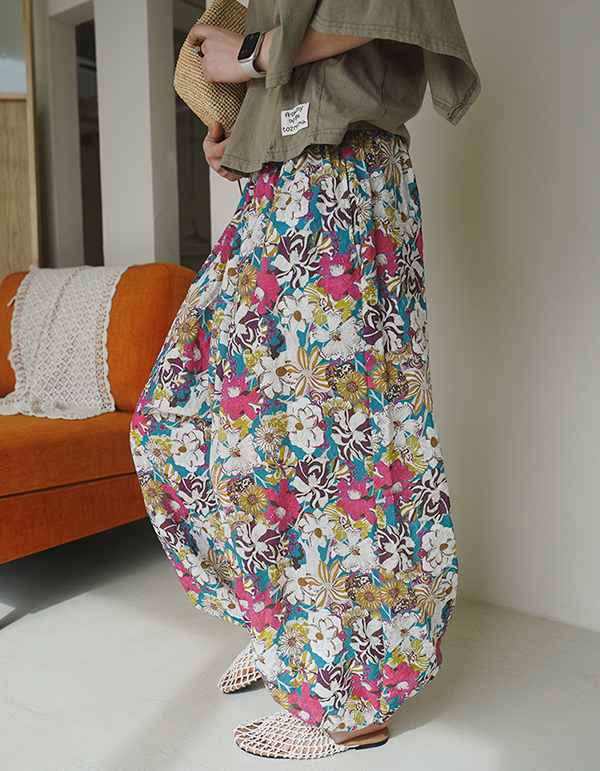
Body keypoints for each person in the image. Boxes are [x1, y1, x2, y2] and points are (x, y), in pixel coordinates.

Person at [130, 0, 480, 760]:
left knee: (336, 440)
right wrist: (245, 124)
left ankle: (346, 698)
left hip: (342, 174)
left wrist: (250, 55)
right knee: (194, 416)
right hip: (279, 184)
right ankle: (291, 631)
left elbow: (389, 8)